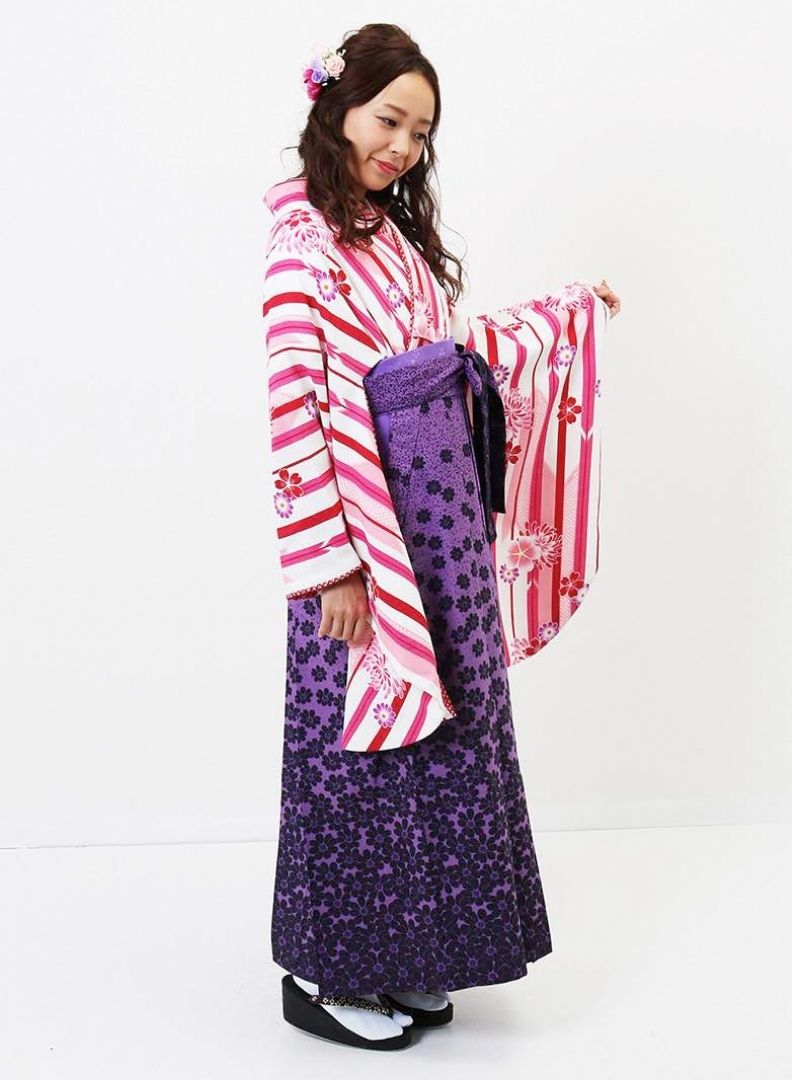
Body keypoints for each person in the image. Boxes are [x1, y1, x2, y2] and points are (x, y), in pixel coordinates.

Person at [262, 23, 620, 1052]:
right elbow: (295, 406)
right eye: (389, 121)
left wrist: (565, 314)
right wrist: (329, 564)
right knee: (360, 742)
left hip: (442, 517)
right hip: (366, 528)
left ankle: (412, 956)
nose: (402, 147)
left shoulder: (391, 236)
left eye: (420, 133)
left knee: (442, 734)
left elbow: (449, 351)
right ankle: (332, 972)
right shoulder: (301, 244)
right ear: (338, 107)